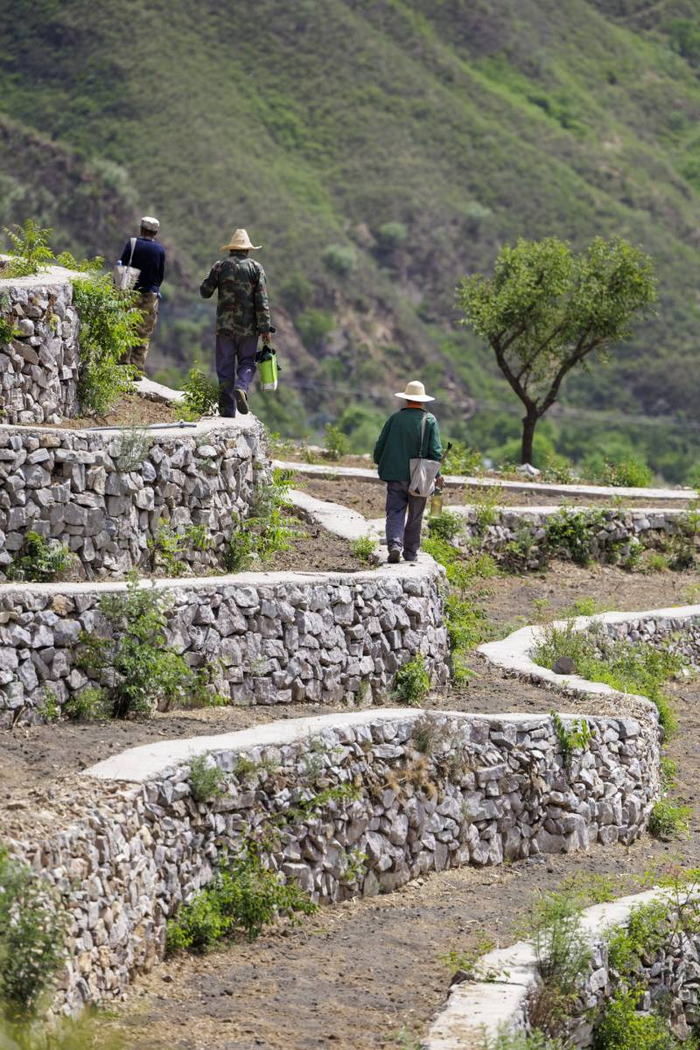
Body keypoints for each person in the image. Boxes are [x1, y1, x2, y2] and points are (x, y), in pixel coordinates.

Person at [199, 228, 274, 417]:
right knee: (247, 361)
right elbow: (262, 301)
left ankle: (226, 411)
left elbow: (205, 292)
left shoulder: (220, 266)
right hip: (248, 329)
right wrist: (265, 329)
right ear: (247, 250)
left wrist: (211, 277)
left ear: (231, 249)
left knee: (224, 367)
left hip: (224, 327)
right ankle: (241, 387)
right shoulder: (256, 268)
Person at [373, 380, 443, 563]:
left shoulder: (394, 419)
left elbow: (380, 446)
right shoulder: (429, 420)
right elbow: (435, 453)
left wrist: (379, 461)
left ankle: (395, 544)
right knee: (415, 515)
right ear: (422, 401)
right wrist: (437, 476)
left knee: (395, 511)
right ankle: (410, 553)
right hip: (420, 477)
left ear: (406, 400)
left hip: (395, 474)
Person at [117, 216, 165, 372]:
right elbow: (160, 275)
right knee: (143, 332)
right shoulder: (159, 250)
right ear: (155, 232)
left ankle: (122, 364)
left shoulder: (132, 244)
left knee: (125, 327)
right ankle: (136, 369)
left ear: (141, 229)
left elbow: (122, 266)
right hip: (149, 295)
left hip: (130, 292)